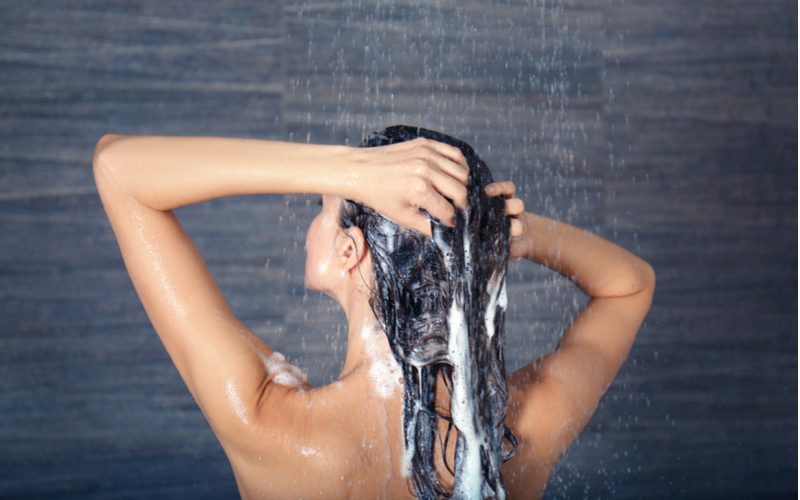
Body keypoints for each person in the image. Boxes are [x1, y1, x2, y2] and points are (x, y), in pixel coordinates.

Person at [92, 126, 655, 499]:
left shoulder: (269, 427)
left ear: (349, 249)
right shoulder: (519, 434)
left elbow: (118, 167)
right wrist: (514, 238)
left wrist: (348, 170)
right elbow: (629, 286)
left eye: (324, 205)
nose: (315, 219)